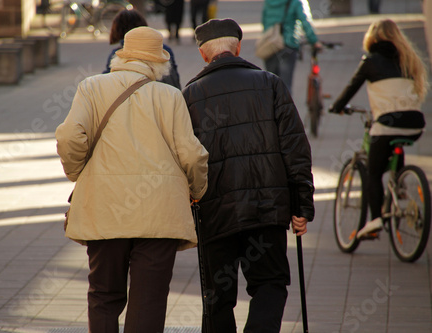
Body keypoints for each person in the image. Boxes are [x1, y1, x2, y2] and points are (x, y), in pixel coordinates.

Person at [56, 26, 209, 333]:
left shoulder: (91, 87)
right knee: (148, 301)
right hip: (159, 214)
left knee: (103, 295)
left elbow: (70, 135)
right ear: (159, 63)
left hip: (105, 209)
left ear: (121, 57)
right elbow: (192, 155)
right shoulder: (171, 96)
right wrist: (197, 190)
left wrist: (77, 172)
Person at [182, 18, 315, 333]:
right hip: (266, 209)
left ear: (203, 54)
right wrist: (301, 205)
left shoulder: (189, 95)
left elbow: (184, 158)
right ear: (238, 48)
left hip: (214, 212)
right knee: (270, 281)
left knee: (217, 298)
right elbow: (296, 148)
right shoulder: (270, 83)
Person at [329, 19, 428, 239]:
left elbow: (350, 88)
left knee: (373, 174)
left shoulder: (370, 61)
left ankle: (375, 221)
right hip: (415, 124)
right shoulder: (408, 60)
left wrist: (336, 107)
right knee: (394, 148)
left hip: (387, 124)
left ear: (373, 38)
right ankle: (399, 185)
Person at [103, 9, 181, 89]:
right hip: (166, 96)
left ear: (117, 30)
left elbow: (107, 84)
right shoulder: (165, 51)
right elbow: (175, 81)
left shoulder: (116, 55)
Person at [260, 0, 322, 92]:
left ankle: (270, 105)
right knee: (285, 85)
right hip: (288, 45)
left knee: (271, 85)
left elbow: (264, 21)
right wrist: (314, 41)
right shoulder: (297, 1)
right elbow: (305, 21)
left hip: (270, 45)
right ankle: (284, 106)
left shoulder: (269, 1)